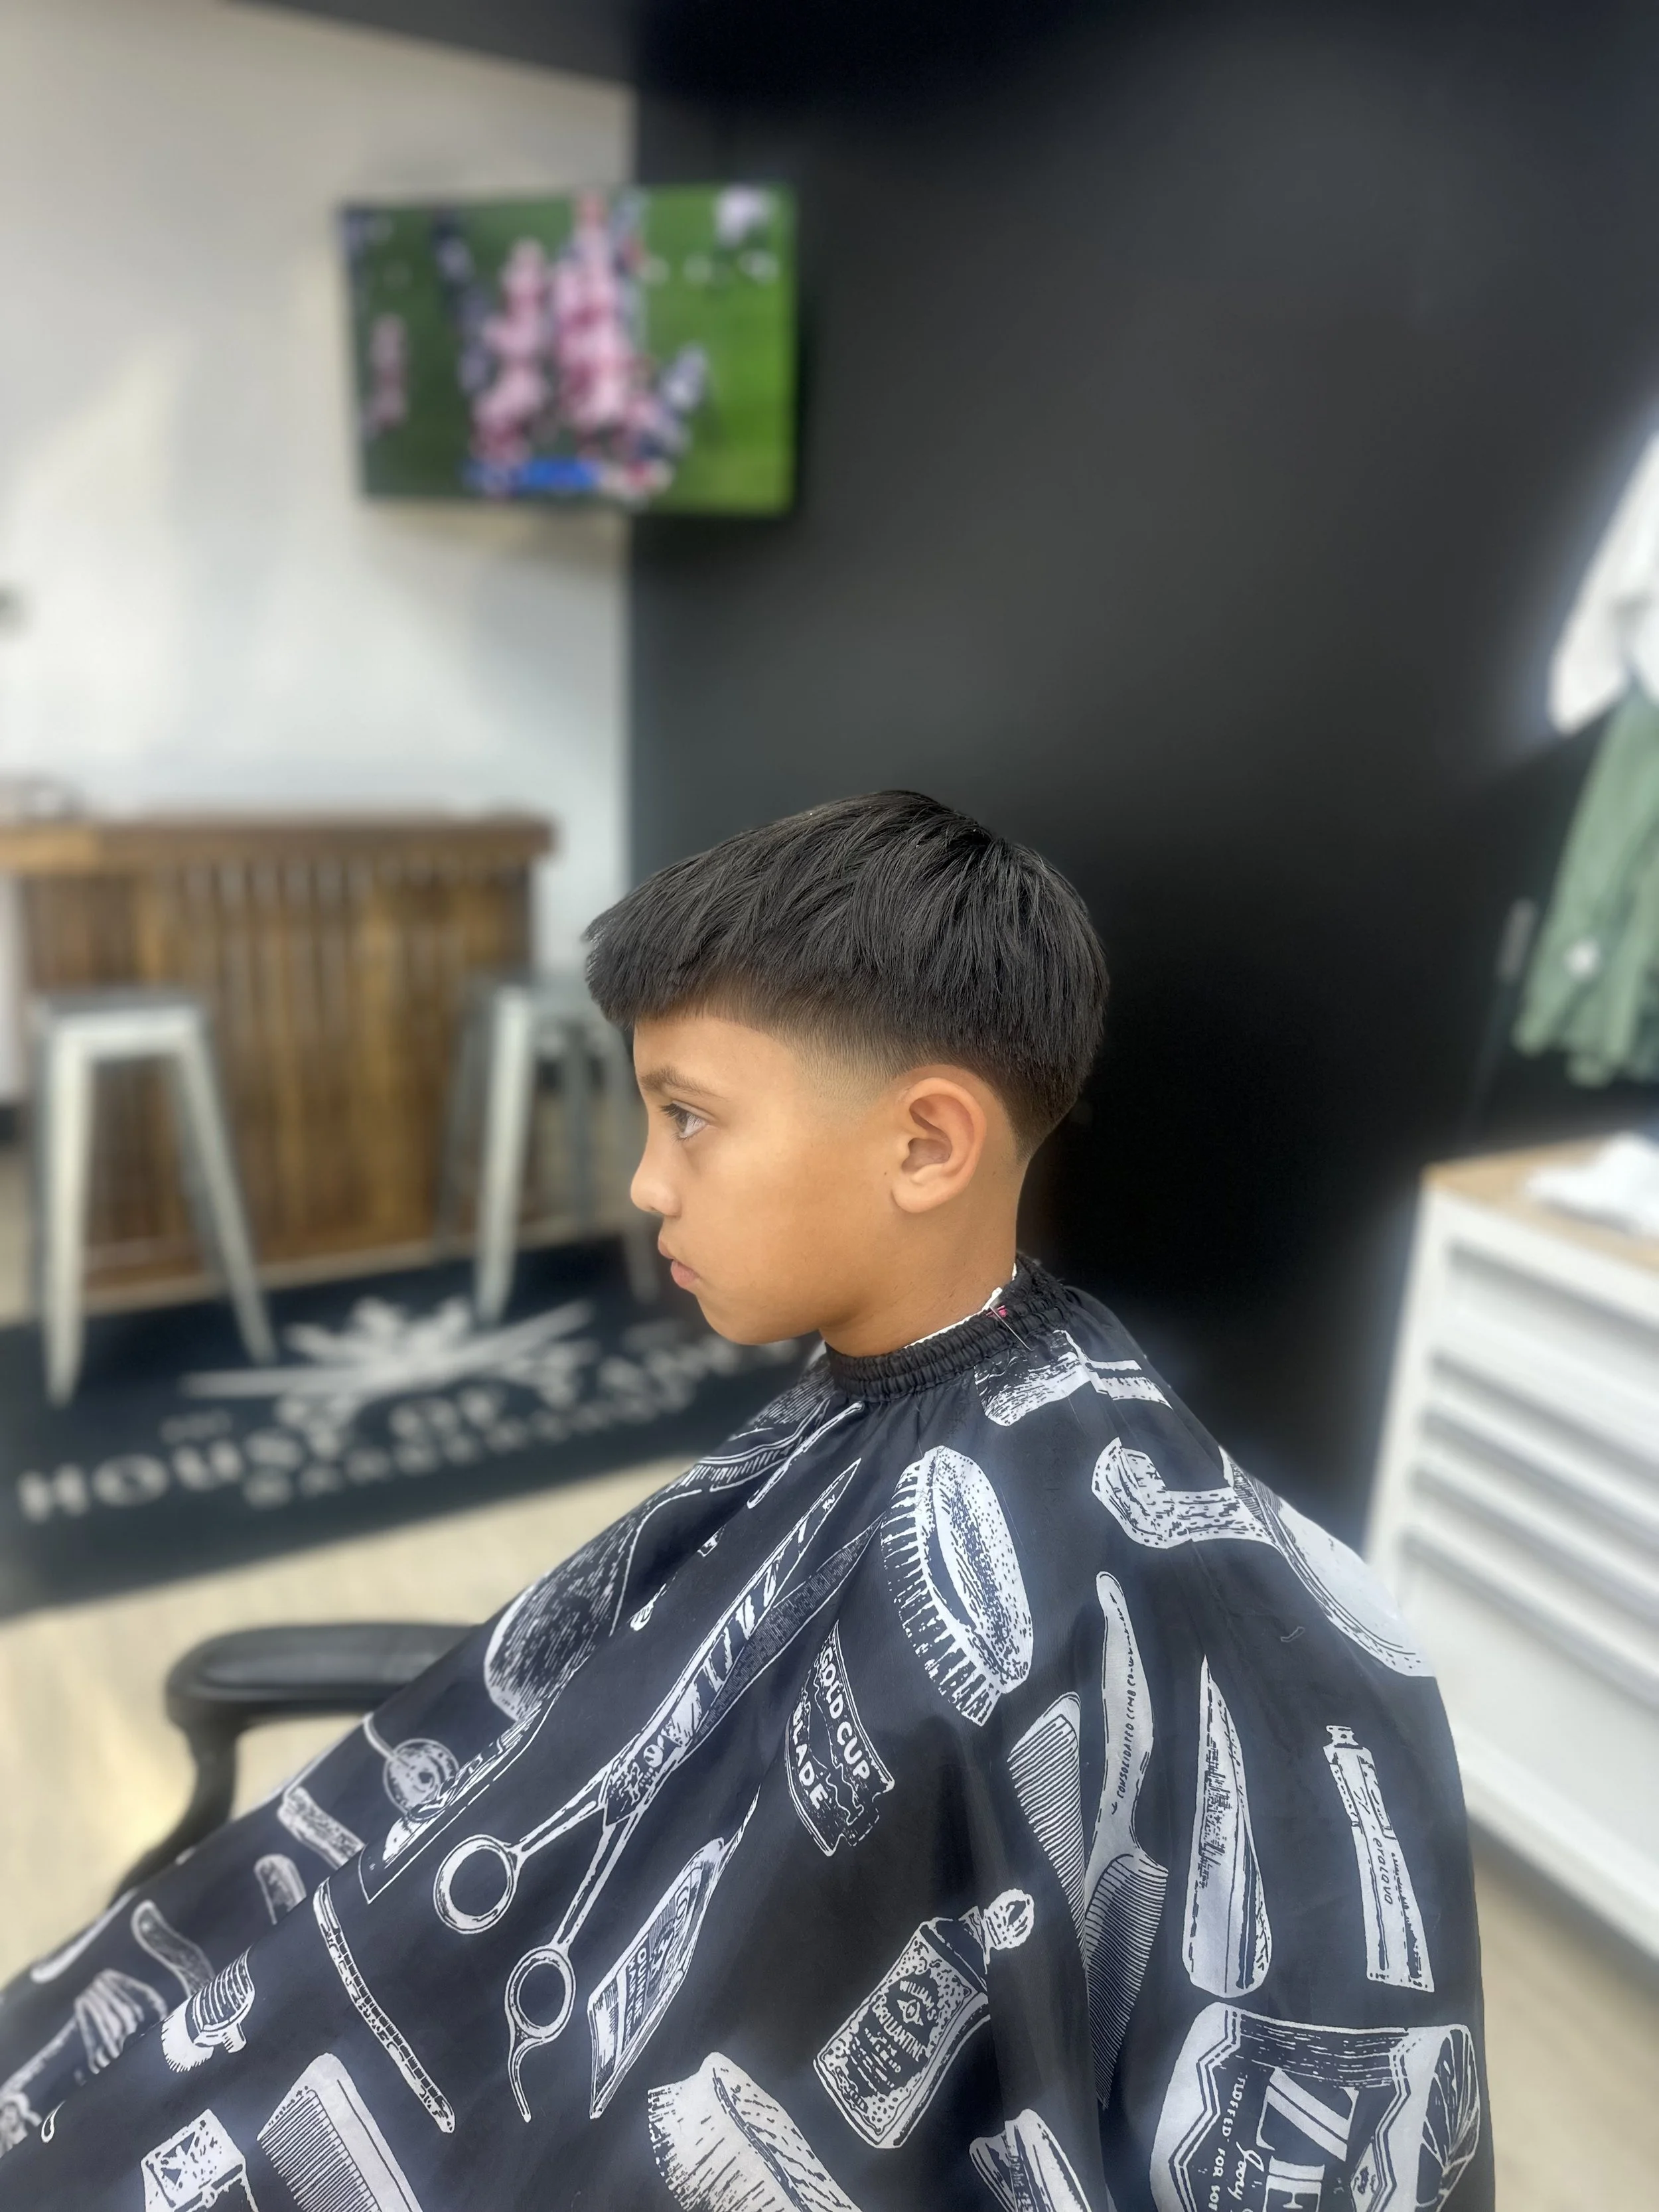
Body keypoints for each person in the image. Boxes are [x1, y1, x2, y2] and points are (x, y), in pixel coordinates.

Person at [0, 792, 1491, 2212]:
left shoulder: (1164, 1590)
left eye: (689, 1117)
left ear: (926, 1144)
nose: (646, 1184)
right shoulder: (874, 1403)